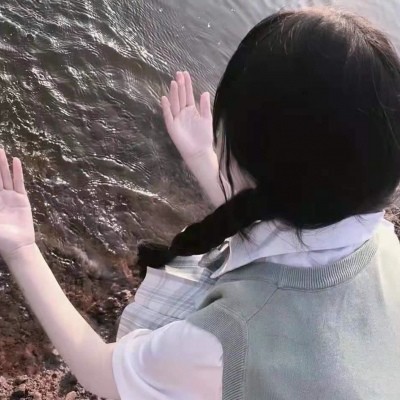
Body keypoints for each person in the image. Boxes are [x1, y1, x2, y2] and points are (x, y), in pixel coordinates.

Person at [1, 6, 400, 400]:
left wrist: (21, 246)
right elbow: (281, 215)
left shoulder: (227, 338)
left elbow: (99, 371)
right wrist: (200, 154)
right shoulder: (382, 245)